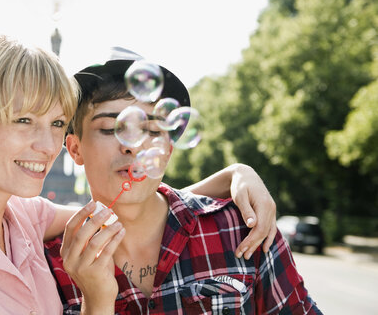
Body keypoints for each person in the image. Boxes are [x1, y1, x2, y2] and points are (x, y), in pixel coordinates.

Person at [0, 36, 276, 314]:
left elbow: (131, 205)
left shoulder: (24, 220)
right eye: (23, 119)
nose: (47, 145)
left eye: (56, 122)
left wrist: (232, 176)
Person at [45, 53, 323, 314]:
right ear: (75, 149)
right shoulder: (49, 264)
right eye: (109, 128)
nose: (134, 147)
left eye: (153, 130)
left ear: (168, 149)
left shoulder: (245, 228)